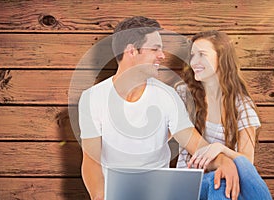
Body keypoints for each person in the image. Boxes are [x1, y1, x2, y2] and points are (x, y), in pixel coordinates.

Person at [78, 17, 240, 200]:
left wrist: (224, 161)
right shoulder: (92, 98)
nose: (162, 56)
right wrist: (100, 197)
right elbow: (91, 161)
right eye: (155, 49)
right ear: (131, 51)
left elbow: (195, 144)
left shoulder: (166, 96)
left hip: (159, 194)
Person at [176, 30, 272, 199]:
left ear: (221, 58)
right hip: (192, 184)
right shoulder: (183, 95)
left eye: (202, 55)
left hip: (229, 181)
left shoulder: (241, 104)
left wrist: (220, 148)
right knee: (219, 181)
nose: (194, 62)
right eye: (193, 55)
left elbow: (246, 164)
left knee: (223, 181)